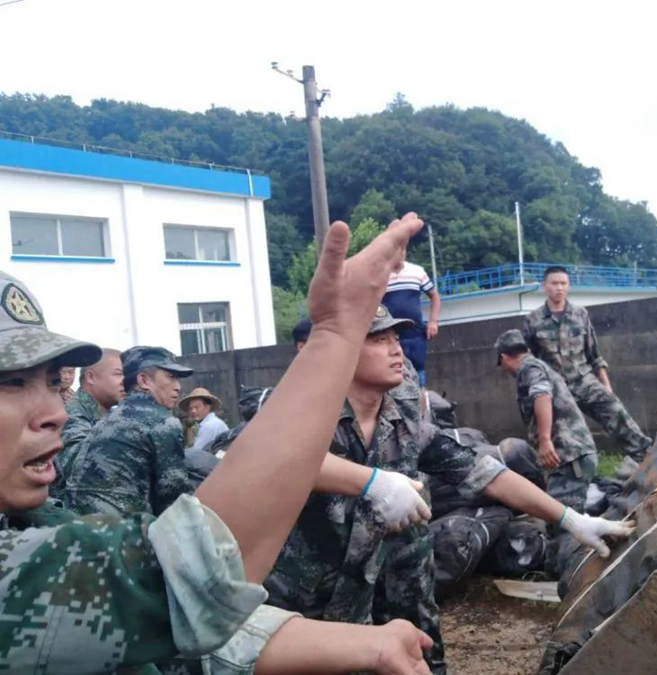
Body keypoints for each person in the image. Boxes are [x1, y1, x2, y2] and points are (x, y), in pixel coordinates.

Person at [0, 212, 438, 673]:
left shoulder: (37, 522)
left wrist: (373, 645)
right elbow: (186, 582)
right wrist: (336, 333)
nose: (55, 413)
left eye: (52, 382)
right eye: (10, 383)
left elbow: (186, 633)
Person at [265, 305, 635, 674]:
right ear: (342, 351)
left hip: (356, 604)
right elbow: (271, 456)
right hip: (298, 604)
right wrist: (372, 483)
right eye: (378, 339)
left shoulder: (405, 426)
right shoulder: (300, 410)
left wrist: (570, 518)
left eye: (396, 338)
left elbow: (488, 474)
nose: (396, 350)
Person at [496, 329, 600, 571]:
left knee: (565, 526)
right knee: (558, 522)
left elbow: (541, 395)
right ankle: (556, 574)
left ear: (504, 357)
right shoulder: (539, 365)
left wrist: (544, 440)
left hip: (569, 456)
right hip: (570, 456)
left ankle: (572, 577)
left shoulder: (529, 368)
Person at [522, 265, 652, 460]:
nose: (559, 288)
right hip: (556, 388)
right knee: (562, 437)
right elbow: (529, 362)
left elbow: (594, 354)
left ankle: (647, 458)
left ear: (569, 286)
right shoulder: (533, 320)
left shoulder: (580, 314)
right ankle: (565, 471)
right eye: (554, 283)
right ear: (544, 286)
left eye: (563, 283)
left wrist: (606, 386)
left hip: (584, 381)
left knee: (616, 412)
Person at [64, 345, 197, 516]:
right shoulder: (162, 422)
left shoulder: (111, 416)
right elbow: (174, 501)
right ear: (144, 381)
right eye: (171, 377)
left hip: (83, 523)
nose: (178, 386)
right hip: (122, 527)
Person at [51, 348, 124, 497]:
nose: (126, 381)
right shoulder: (74, 413)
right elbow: (81, 469)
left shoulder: (110, 414)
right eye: (118, 374)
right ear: (91, 377)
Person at [381, 254, 441, 386]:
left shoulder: (417, 271)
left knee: (419, 372)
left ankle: (421, 397)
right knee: (394, 374)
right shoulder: (378, 273)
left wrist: (433, 322)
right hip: (390, 334)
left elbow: (434, 296)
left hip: (415, 333)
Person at [180, 387, 229, 452]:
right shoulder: (207, 423)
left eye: (197, 407)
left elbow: (196, 452)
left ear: (207, 407)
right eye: (191, 408)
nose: (193, 411)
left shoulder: (210, 425)